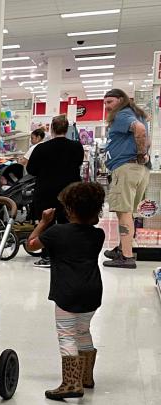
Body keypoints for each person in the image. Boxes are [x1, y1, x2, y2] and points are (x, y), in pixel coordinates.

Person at [26, 182, 105, 401]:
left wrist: (43, 222)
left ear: (69, 209)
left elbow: (31, 244)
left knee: (67, 335)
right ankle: (86, 377)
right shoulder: (98, 235)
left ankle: (71, 383)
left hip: (67, 292)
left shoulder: (57, 232)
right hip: (92, 291)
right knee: (83, 331)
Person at [101, 88, 150, 269]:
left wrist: (140, 153)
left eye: (110, 102)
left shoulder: (122, 115)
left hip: (126, 168)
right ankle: (124, 247)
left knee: (123, 213)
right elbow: (145, 134)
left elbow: (139, 130)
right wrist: (143, 154)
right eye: (105, 103)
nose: (107, 106)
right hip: (138, 169)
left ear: (121, 100)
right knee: (129, 212)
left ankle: (126, 256)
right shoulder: (137, 114)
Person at [27, 115, 84, 267]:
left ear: (51, 129)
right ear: (67, 129)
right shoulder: (76, 147)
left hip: (46, 190)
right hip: (70, 191)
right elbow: (78, 163)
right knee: (69, 221)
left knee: (47, 223)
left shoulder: (41, 148)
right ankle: (67, 254)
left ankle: (47, 256)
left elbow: (31, 169)